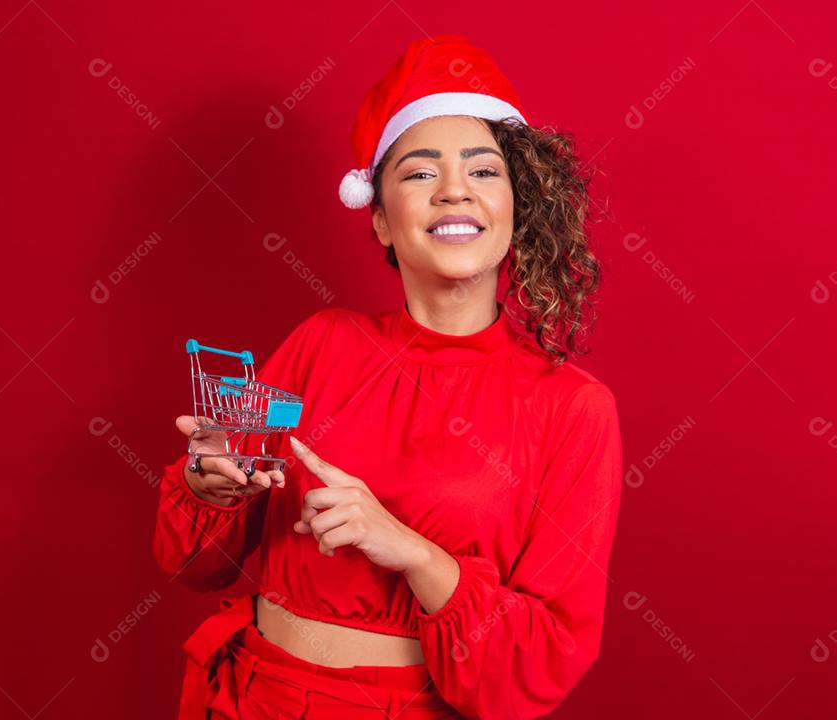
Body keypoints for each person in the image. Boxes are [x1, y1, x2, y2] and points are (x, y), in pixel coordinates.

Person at [153, 34, 624, 720]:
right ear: (379, 218)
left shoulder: (572, 409)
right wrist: (211, 482)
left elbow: (545, 658)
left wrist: (411, 552)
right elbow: (197, 564)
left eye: (483, 172)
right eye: (419, 172)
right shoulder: (321, 346)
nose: (454, 190)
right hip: (253, 699)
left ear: (517, 207)